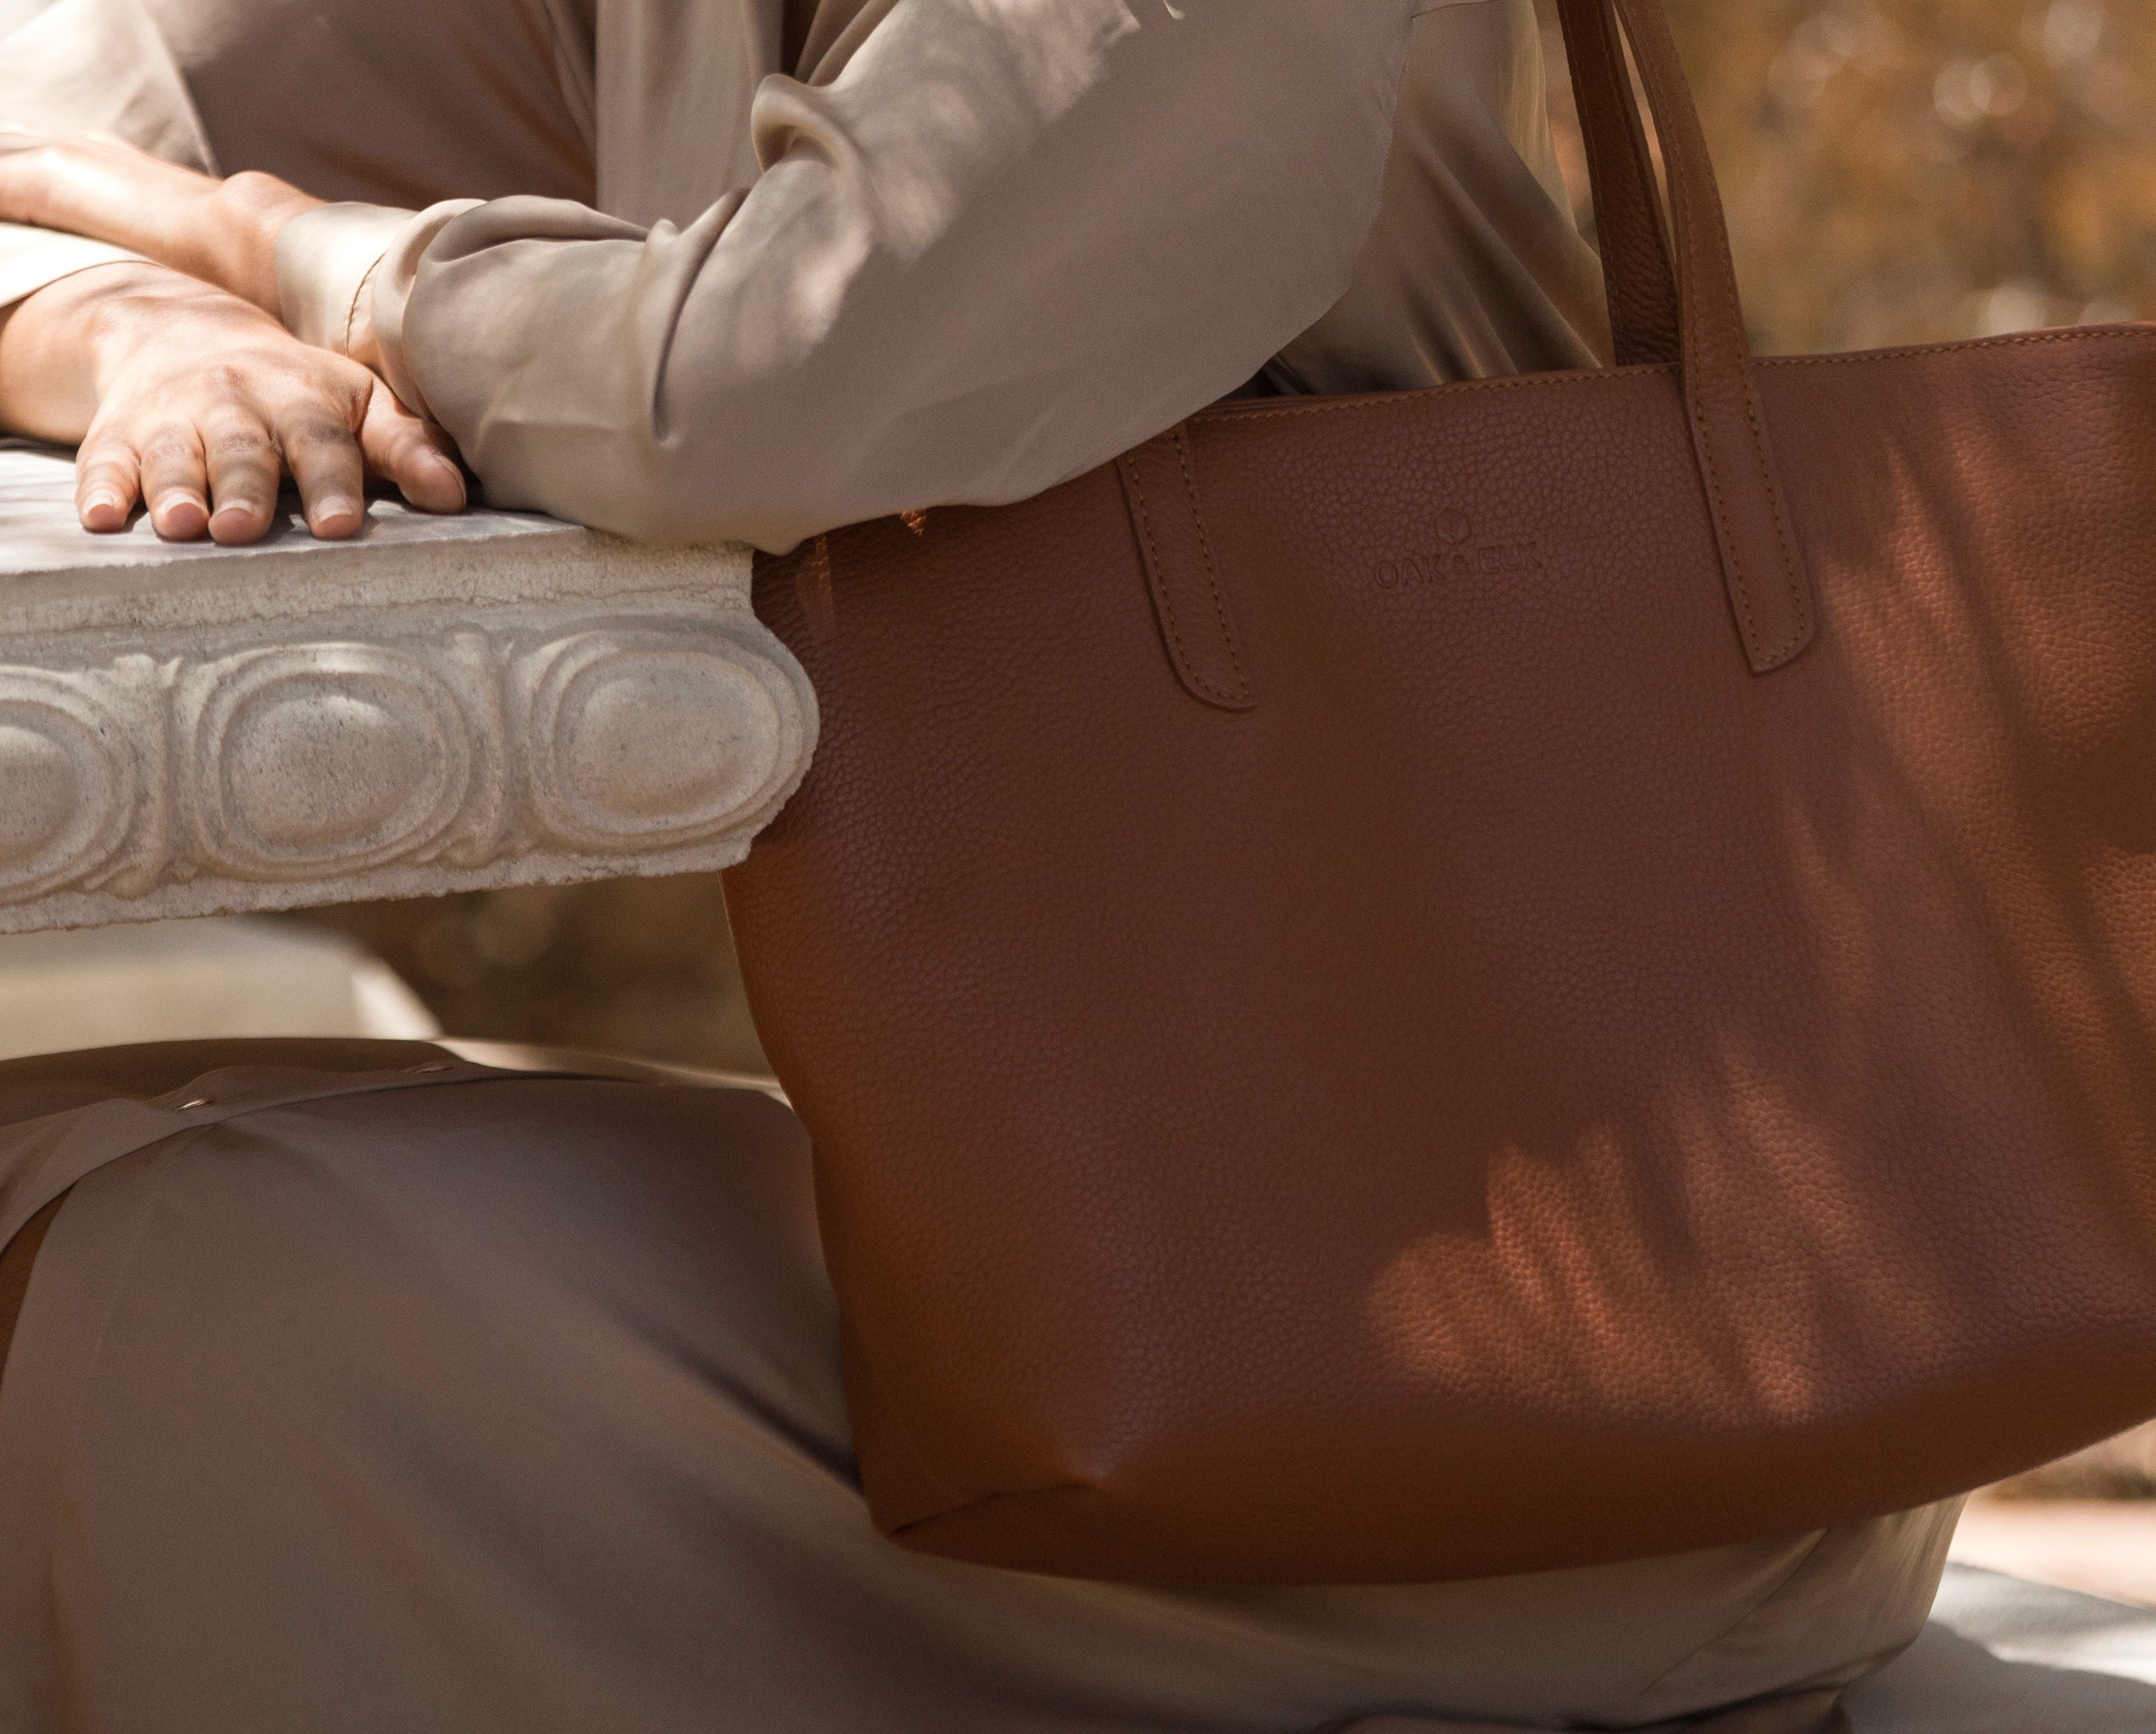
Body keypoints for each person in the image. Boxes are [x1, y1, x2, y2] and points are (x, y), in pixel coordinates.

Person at [0, 3, 1962, 1729]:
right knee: (66, 1184)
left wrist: (299, 258)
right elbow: (61, 119)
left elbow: (754, 380)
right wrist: (128, 315)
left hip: (1601, 1398)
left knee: (180, 1295)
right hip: (1104, 1258)